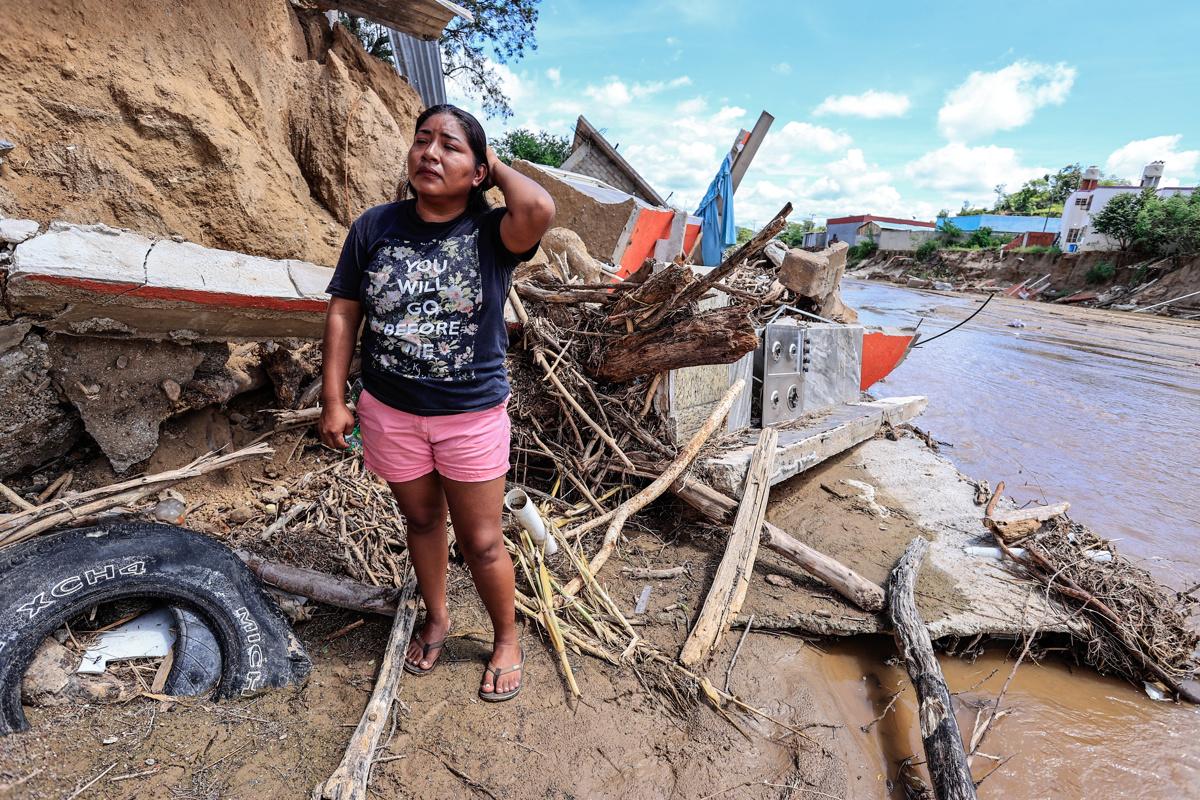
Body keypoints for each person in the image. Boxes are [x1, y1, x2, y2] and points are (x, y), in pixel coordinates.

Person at [318, 104, 555, 702]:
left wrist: (490, 162)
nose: (429, 152)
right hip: (388, 411)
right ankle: (439, 616)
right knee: (421, 521)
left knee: (481, 540)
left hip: (470, 416)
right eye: (422, 140)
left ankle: (505, 637)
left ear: (478, 171)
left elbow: (540, 209)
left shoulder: (492, 233)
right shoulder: (374, 227)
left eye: (449, 146)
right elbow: (346, 308)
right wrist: (333, 397)